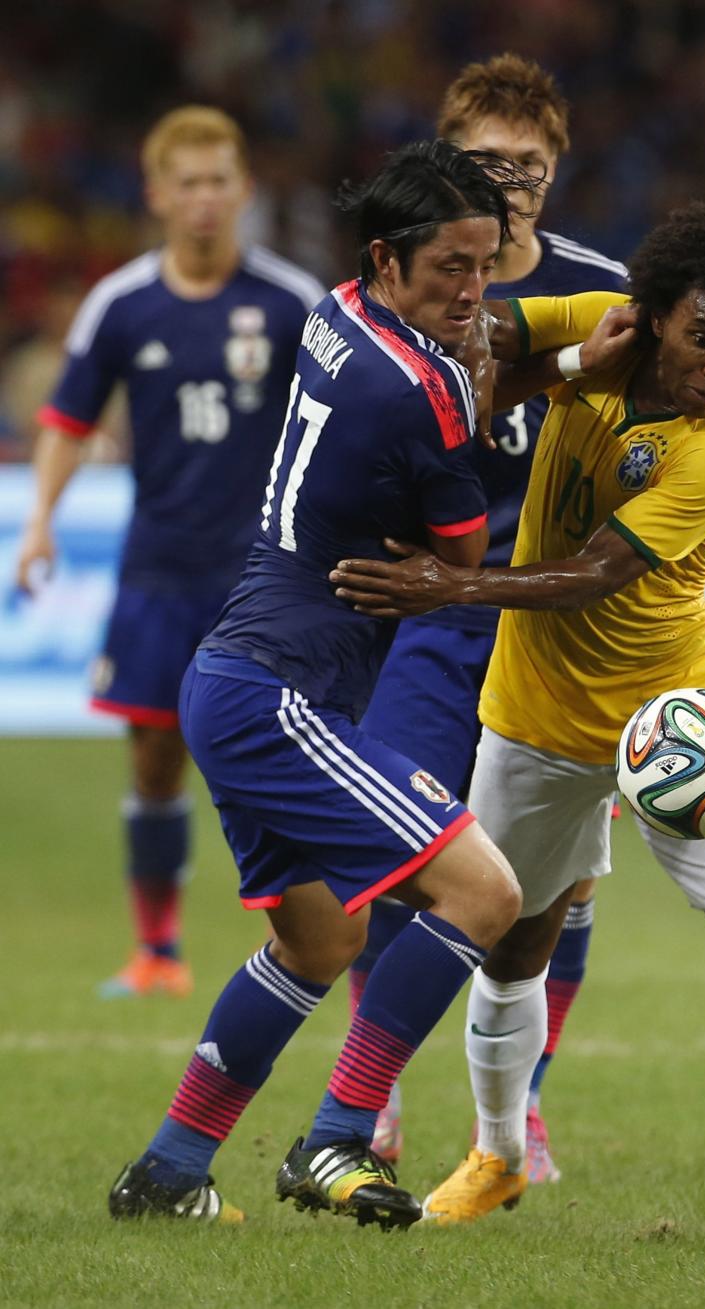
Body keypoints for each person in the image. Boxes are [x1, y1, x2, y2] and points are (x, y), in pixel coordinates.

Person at [329, 196, 705, 1225]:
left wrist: (449, 587)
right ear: (657, 311)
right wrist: (535, 354)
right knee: (513, 945)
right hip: (536, 717)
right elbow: (481, 344)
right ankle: (499, 1153)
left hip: (672, 724)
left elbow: (593, 575)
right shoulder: (602, 315)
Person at [101, 138, 596, 1230]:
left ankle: (172, 1166)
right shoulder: (413, 391)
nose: (472, 291)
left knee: (318, 941)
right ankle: (333, 1141)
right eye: (447, 272)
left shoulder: (336, 312)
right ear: (388, 257)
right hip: (279, 696)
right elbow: (461, 562)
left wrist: (539, 368)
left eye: (482, 265)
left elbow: (456, 397)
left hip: (241, 677)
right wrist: (561, 374)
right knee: (489, 893)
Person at [350, 53, 629, 1185]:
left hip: (554, 626)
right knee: (397, 842)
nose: (508, 180)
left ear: (555, 174)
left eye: (528, 163)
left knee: (559, 883)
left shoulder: (607, 287)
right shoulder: (412, 280)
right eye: (484, 160)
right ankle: (370, 1103)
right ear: (444, 158)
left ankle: (526, 1110)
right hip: (433, 612)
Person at [14, 107, 325, 999]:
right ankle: (157, 950)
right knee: (153, 756)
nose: (203, 199)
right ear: (156, 195)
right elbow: (68, 422)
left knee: (288, 754)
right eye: (185, 183)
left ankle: (321, 937)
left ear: (244, 190)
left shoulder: (292, 301)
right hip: (158, 567)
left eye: (217, 180)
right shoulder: (124, 303)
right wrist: (39, 520)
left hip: (269, 575)